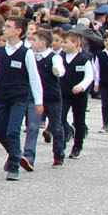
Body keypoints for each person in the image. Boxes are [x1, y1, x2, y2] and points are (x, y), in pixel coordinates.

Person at [0, 16, 41, 180]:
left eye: (9, 26)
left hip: (19, 97)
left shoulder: (26, 53)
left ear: (18, 31)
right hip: (2, 96)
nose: (5, 28)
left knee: (13, 131)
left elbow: (34, 78)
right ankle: (15, 154)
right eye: (5, 26)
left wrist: (39, 101)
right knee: (0, 132)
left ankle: (13, 166)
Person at [24, 28, 65, 169]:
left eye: (34, 40)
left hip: (51, 97)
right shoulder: (30, 56)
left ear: (43, 42)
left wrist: (57, 70)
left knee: (56, 126)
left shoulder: (54, 57)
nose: (31, 42)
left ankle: (58, 155)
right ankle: (29, 157)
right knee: (32, 126)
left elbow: (60, 69)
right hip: (35, 97)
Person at [61, 30, 93, 159]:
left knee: (79, 120)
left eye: (66, 42)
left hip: (79, 95)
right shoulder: (60, 57)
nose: (63, 44)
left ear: (75, 44)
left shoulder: (84, 59)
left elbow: (89, 76)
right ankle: (63, 140)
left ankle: (77, 146)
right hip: (63, 93)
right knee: (60, 118)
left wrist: (81, 86)